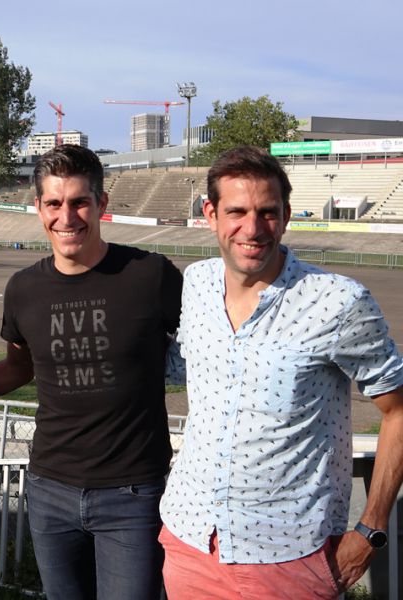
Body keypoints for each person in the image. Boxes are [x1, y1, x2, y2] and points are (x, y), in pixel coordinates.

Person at [160, 145, 403, 599]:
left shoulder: (337, 302)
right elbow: (185, 367)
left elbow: (399, 410)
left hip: (289, 557)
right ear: (210, 213)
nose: (252, 229)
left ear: (286, 215)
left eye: (267, 213)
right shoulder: (196, 283)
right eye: (236, 211)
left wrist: (370, 529)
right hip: (188, 541)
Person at [0, 144, 183, 599]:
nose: (66, 216)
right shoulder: (24, 289)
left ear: (101, 204)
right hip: (50, 488)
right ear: (38, 208)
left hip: (133, 494)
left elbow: (211, 347)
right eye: (53, 203)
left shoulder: (151, 276)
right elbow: (18, 367)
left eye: (79, 202)